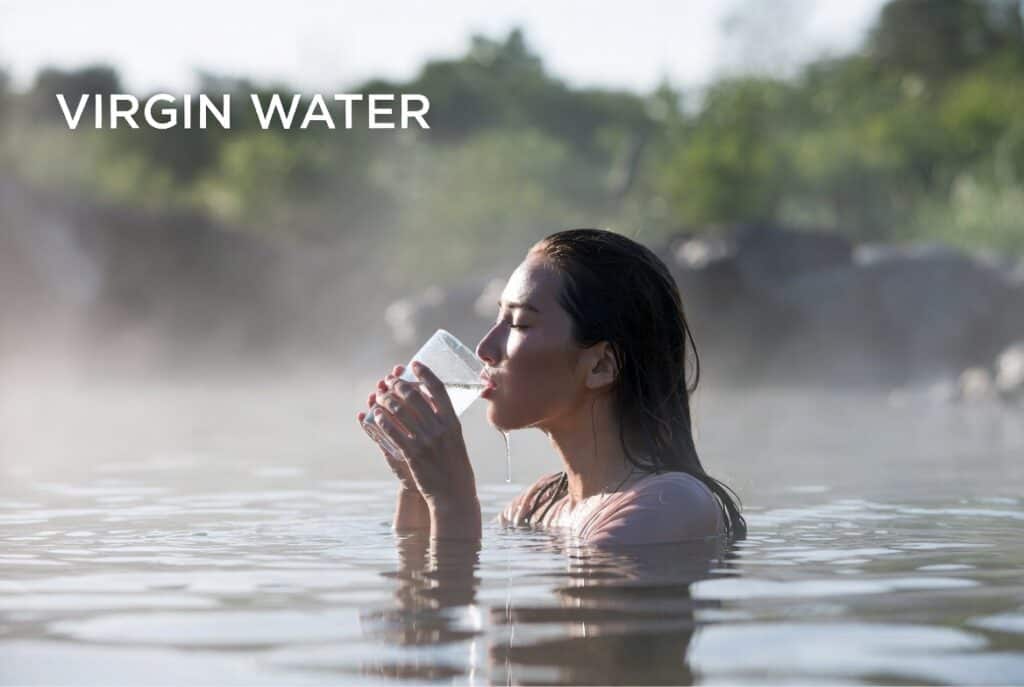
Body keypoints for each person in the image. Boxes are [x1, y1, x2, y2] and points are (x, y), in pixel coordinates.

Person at [356, 228, 746, 545]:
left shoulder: (670, 503)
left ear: (601, 366)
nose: (485, 348)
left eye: (520, 324)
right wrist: (417, 487)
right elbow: (423, 598)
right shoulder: (538, 507)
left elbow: (474, 613)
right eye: (497, 320)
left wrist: (451, 498)